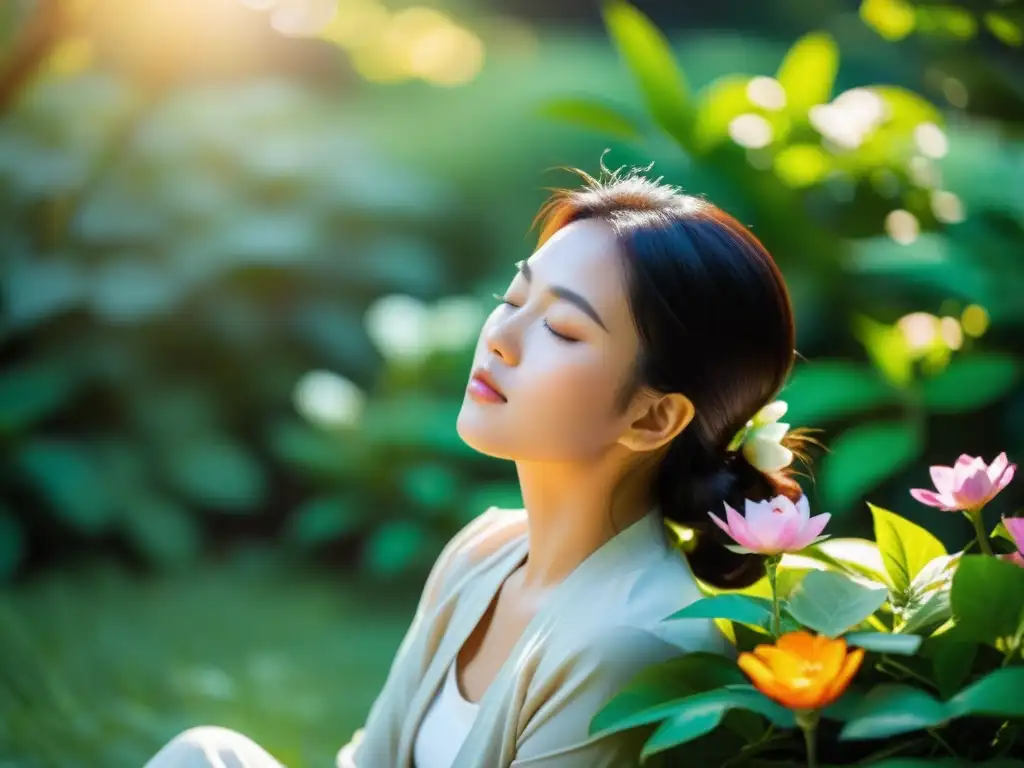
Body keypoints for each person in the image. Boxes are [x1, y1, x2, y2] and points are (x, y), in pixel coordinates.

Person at [143, 162, 813, 768]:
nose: (502, 338)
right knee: (204, 755)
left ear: (651, 418)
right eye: (515, 299)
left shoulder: (631, 641)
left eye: (562, 330)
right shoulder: (485, 552)